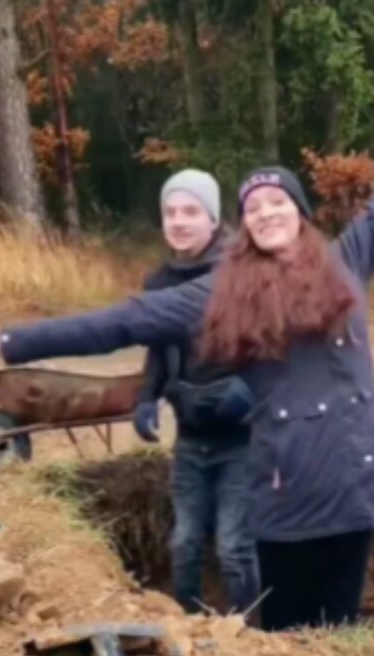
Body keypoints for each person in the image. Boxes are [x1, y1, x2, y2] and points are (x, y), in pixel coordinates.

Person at [0, 85, 374, 631]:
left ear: (300, 212)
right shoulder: (223, 292)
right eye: (253, 208)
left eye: (277, 202)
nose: (266, 213)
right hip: (289, 492)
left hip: (356, 482)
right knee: (287, 636)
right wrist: (3, 340)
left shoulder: (346, 262)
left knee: (343, 627)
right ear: (244, 226)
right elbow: (123, 321)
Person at [133, 168, 259, 616]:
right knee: (184, 542)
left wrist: (250, 390)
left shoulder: (244, 275)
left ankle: (251, 634)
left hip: (241, 442)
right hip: (189, 439)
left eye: (190, 211)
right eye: (170, 213)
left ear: (213, 219)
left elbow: (275, 344)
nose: (179, 222)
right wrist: (146, 397)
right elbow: (157, 347)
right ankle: (185, 626)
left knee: (233, 547)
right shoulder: (159, 283)